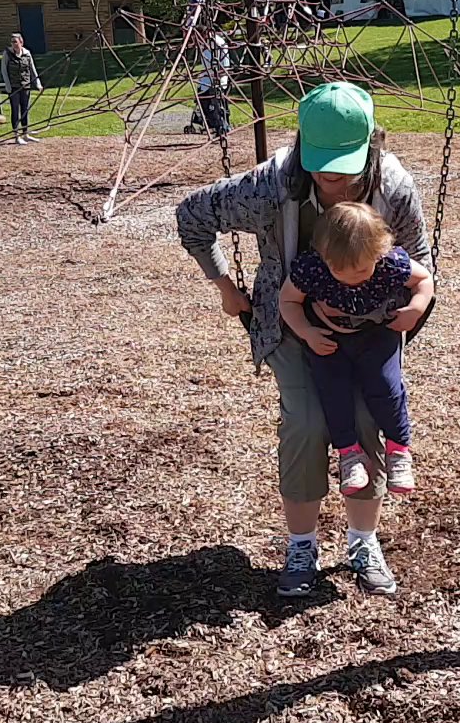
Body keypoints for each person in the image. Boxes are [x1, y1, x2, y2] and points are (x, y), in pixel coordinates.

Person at [175, 81, 430, 598]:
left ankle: (363, 541)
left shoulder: (394, 188)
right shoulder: (274, 185)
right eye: (322, 161)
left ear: (372, 144)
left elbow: (422, 260)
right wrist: (225, 285)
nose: (333, 176)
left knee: (365, 418)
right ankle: (302, 544)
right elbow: (192, 216)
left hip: (370, 329)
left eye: (346, 162)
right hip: (291, 321)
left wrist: (411, 310)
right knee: (308, 421)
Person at [280, 201, 432, 498]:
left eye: (361, 270)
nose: (352, 277)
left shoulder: (391, 263)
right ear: (323, 257)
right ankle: (349, 454)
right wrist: (306, 332)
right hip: (328, 338)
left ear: (378, 252)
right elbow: (288, 301)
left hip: (377, 335)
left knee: (386, 387)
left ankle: (399, 450)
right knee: (332, 392)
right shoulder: (312, 269)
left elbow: (424, 279)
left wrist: (416, 308)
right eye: (340, 271)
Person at [0, 33, 43, 143]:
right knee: (15, 111)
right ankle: (16, 136)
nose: (14, 44)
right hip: (14, 87)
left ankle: (25, 134)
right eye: (12, 42)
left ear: (21, 42)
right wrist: (8, 86)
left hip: (26, 86)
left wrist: (37, 84)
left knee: (25, 110)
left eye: (15, 42)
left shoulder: (27, 53)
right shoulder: (7, 54)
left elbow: (32, 69)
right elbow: (4, 71)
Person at [196, 34, 233, 138]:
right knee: (204, 102)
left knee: (216, 104)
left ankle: (222, 127)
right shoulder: (205, 44)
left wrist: (219, 76)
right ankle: (218, 126)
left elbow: (224, 63)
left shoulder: (217, 43)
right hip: (206, 80)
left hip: (216, 79)